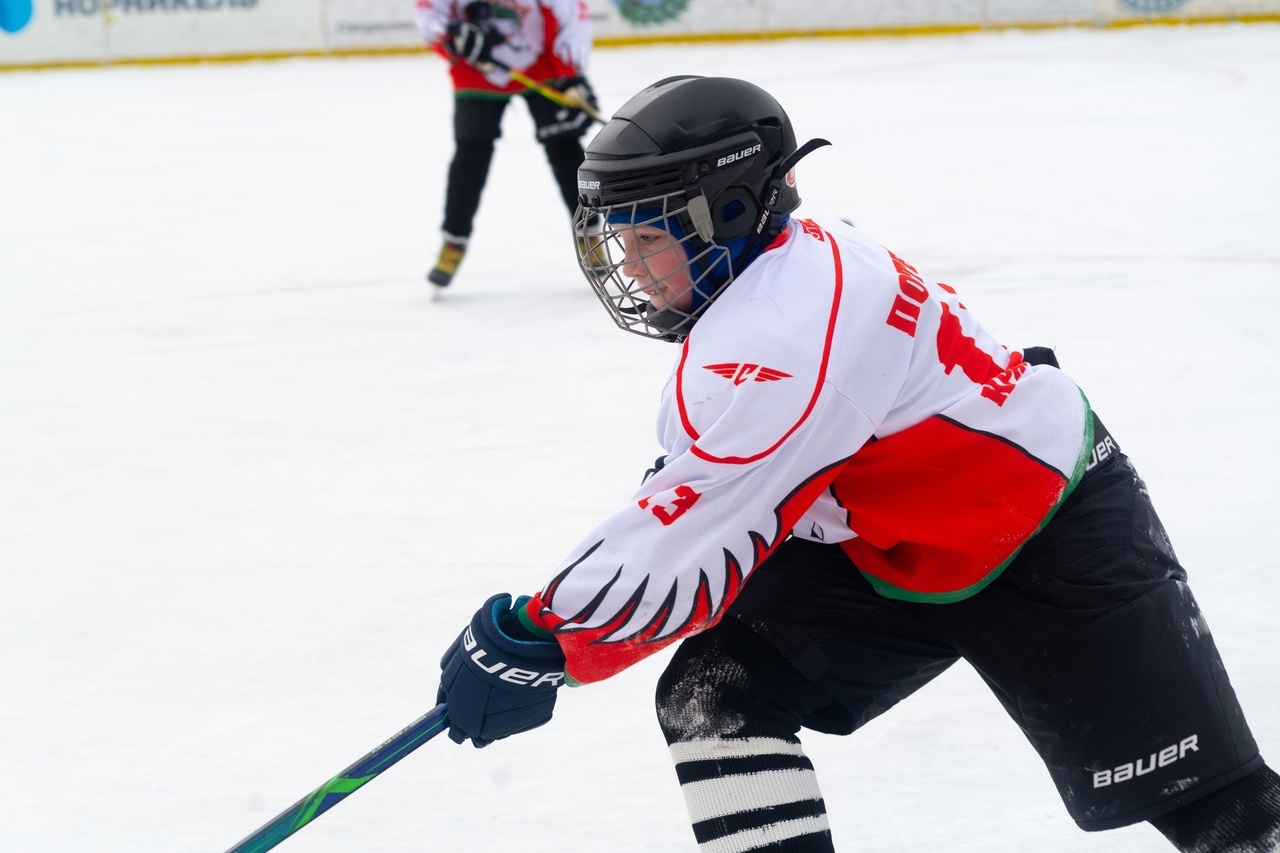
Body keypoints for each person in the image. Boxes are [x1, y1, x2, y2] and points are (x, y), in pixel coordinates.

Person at [433, 76, 1280, 851]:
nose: (631, 267)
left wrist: (538, 633)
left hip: (1047, 536)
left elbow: (689, 532)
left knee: (1222, 813)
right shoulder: (771, 283)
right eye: (619, 238)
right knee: (717, 697)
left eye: (649, 236)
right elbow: (714, 496)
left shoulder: (780, 335)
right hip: (890, 544)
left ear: (727, 210)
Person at [413, 0, 597, 288]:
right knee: (471, 150)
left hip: (541, 62)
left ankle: (590, 234)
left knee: (563, 145)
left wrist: (571, 73)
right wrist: (452, 33)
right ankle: (453, 242)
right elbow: (428, 12)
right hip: (477, 65)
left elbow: (571, 14)